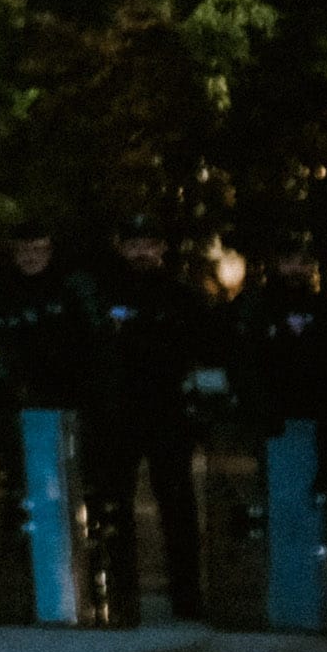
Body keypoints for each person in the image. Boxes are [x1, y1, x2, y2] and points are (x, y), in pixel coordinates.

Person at [0, 228, 108, 619]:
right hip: (17, 414)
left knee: (74, 497)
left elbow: (91, 349)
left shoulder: (71, 292)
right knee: (20, 499)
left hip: (67, 412)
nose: (30, 256)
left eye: (38, 249)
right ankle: (20, 587)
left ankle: (76, 586)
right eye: (22, 250)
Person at [87, 221, 217, 620]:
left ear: (160, 247)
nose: (141, 252)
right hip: (117, 417)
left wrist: (201, 409)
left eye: (148, 244)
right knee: (114, 508)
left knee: (178, 508)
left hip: (169, 415)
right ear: (120, 246)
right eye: (133, 244)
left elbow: (208, 351)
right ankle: (121, 593)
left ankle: (187, 597)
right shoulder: (100, 294)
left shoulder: (183, 294)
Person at [237, 238, 327, 629]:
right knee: (279, 511)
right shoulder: (256, 308)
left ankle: (318, 599)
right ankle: (282, 600)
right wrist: (259, 408)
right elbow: (245, 364)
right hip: (276, 425)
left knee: (315, 511)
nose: (297, 268)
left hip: (319, 423)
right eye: (289, 260)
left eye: (304, 261)